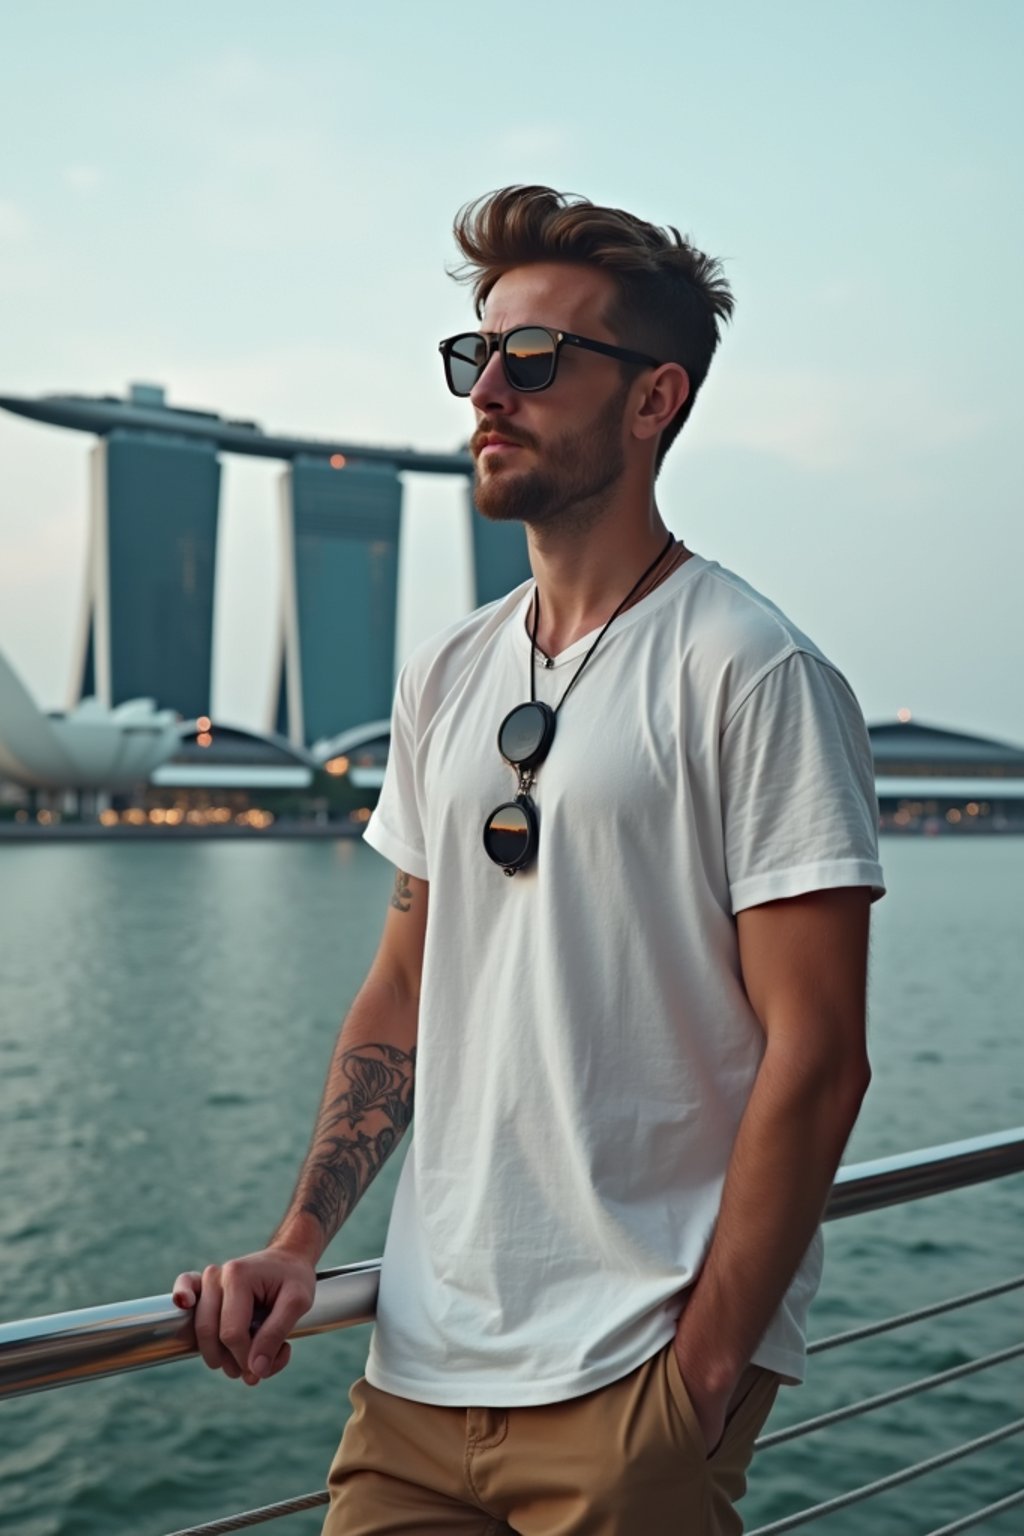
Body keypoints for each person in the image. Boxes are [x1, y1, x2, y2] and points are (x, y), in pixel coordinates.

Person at [173, 185, 885, 1535]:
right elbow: (401, 989)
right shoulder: (447, 671)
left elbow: (823, 1051)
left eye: (536, 358)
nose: (488, 389)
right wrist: (299, 1244)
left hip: (637, 1378)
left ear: (654, 398)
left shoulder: (750, 669)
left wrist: (708, 1368)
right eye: (475, 354)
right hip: (418, 1380)